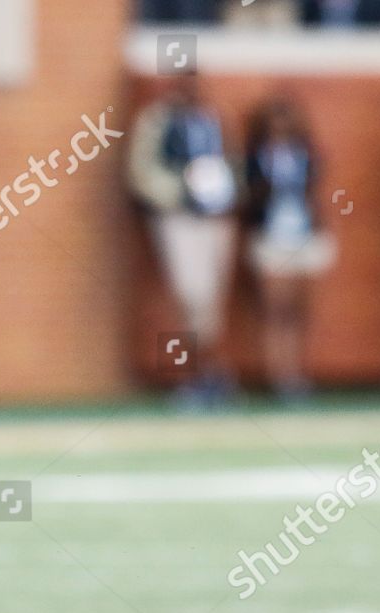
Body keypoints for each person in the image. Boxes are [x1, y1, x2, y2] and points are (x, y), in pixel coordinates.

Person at [128, 69, 239, 404]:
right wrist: (180, 192)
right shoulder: (158, 121)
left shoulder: (210, 117)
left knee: (213, 298)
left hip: (214, 216)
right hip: (179, 215)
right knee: (191, 293)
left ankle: (213, 373)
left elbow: (228, 161)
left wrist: (225, 193)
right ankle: (192, 374)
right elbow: (141, 170)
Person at [242, 97, 335, 400]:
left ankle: (298, 374)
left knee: (300, 310)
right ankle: (278, 375)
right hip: (271, 235)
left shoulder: (306, 156)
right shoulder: (255, 159)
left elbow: (314, 194)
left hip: (302, 234)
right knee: (275, 309)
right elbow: (249, 197)